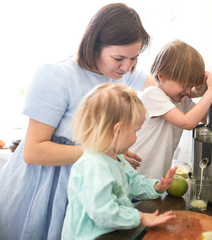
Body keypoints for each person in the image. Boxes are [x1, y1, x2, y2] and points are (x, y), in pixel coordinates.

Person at [0, 3, 155, 240]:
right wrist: (102, 152)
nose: (127, 66)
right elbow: (33, 151)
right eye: (119, 58)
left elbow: (157, 88)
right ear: (94, 43)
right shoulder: (58, 75)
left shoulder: (116, 73)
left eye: (134, 58)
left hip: (87, 183)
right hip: (44, 189)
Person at [61, 82, 177, 239]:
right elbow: (103, 212)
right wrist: (141, 218)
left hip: (114, 232)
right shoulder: (93, 165)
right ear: (117, 130)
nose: (136, 137)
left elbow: (132, 183)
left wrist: (156, 186)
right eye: (136, 131)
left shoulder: (117, 157)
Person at [130, 40, 212, 179]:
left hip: (154, 180)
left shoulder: (181, 100)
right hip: (136, 175)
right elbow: (188, 123)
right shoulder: (152, 94)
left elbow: (205, 118)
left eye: (191, 86)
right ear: (163, 76)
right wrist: (211, 91)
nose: (188, 91)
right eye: (185, 85)